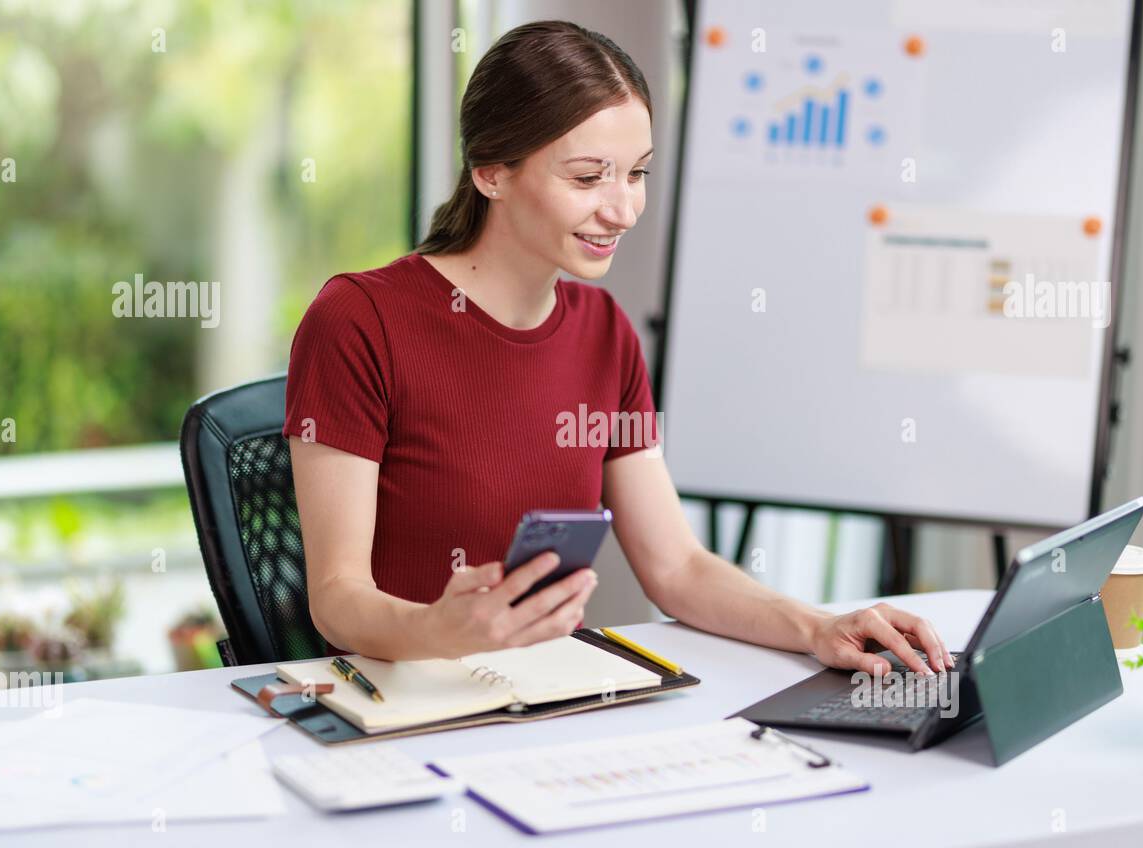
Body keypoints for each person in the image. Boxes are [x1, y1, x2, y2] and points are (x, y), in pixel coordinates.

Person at [284, 19, 951, 676]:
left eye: (636, 173)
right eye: (587, 178)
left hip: (545, 698)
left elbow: (676, 565)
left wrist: (818, 626)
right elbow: (337, 599)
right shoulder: (358, 320)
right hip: (406, 707)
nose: (624, 209)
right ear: (492, 172)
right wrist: (437, 629)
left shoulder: (604, 331)